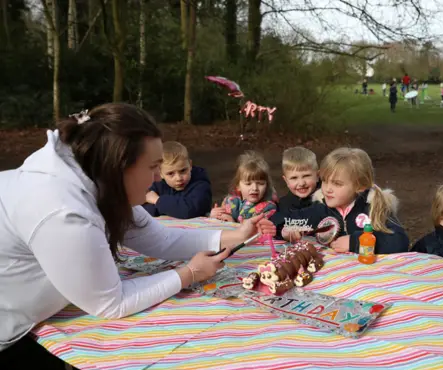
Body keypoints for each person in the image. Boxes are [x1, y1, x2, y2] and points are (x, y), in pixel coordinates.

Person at [0, 103, 275, 351]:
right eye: (153, 167)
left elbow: (161, 240)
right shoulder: (63, 212)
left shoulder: (100, 181)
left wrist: (236, 235)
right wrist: (188, 273)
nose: (158, 178)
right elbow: (111, 303)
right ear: (119, 166)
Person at [279, 147, 409, 254]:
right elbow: (285, 220)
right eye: (324, 181)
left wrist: (355, 242)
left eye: (337, 184)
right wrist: (286, 230)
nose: (328, 189)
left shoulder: (373, 207)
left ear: (360, 186)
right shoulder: (322, 208)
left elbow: (400, 242)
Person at [143, 141, 212, 219]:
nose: (179, 178)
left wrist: (158, 200)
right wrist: (174, 207)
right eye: (171, 173)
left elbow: (189, 210)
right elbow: (145, 210)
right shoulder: (157, 184)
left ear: (190, 165)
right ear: (160, 173)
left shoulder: (200, 184)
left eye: (183, 171)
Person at [269, 146, 321, 241]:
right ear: (286, 181)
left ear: (317, 176)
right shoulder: (284, 203)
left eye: (306, 176)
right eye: (294, 178)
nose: (301, 183)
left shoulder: (328, 199)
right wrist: (282, 231)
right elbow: (274, 223)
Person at [210, 150, 278, 222]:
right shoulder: (231, 202)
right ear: (238, 186)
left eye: (260, 183)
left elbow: (259, 229)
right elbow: (220, 222)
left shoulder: (269, 208)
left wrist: (232, 223)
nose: (255, 188)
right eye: (248, 184)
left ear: (267, 185)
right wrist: (215, 215)